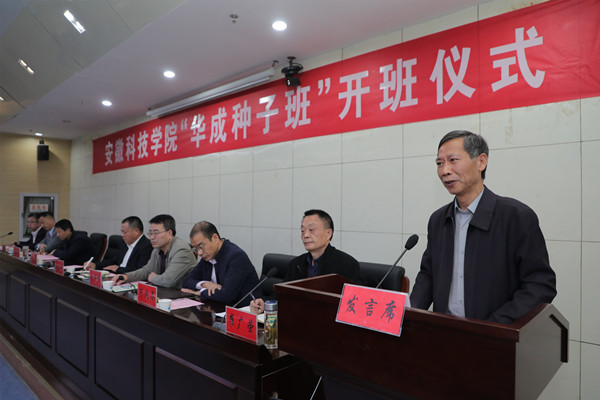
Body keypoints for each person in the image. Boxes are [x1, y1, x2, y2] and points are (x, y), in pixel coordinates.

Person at [409, 130, 557, 324]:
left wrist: (494, 326)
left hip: (494, 334)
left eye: (453, 160)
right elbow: (428, 275)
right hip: (445, 332)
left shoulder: (516, 217)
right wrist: (410, 315)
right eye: (439, 163)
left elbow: (540, 285)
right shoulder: (438, 220)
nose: (445, 171)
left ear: (481, 162)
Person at [249, 209, 361, 314]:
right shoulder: (296, 264)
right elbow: (281, 296)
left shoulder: (347, 264)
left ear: (328, 233)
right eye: (303, 231)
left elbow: (355, 305)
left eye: (311, 230)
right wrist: (264, 304)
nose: (305, 235)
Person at [182, 221, 260, 307]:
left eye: (201, 247)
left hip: (243, 310)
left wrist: (200, 292)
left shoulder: (236, 256)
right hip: (217, 308)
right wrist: (204, 284)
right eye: (196, 249)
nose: (199, 253)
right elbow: (186, 282)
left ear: (215, 238)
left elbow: (226, 295)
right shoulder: (207, 256)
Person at [112, 214, 195, 289]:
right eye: (150, 233)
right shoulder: (157, 249)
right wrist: (126, 276)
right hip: (165, 292)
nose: (151, 237)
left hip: (183, 295)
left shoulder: (181, 250)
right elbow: (147, 271)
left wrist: (152, 278)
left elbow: (167, 281)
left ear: (169, 233)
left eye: (156, 233)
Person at [85, 216, 152, 273]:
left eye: (125, 232)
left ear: (136, 231)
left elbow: (140, 271)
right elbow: (113, 261)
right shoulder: (125, 243)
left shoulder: (147, 245)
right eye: (122, 232)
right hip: (117, 276)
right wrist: (95, 265)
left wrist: (118, 269)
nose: (122, 235)